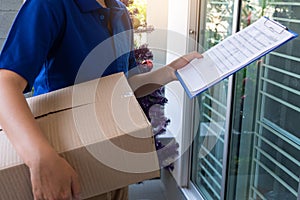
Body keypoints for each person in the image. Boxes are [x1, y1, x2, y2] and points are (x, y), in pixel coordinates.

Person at [0, 0, 202, 199]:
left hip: (113, 159)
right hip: (65, 163)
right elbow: (4, 84)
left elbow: (124, 84)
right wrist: (40, 157)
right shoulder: (49, 5)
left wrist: (168, 73)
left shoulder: (121, 12)